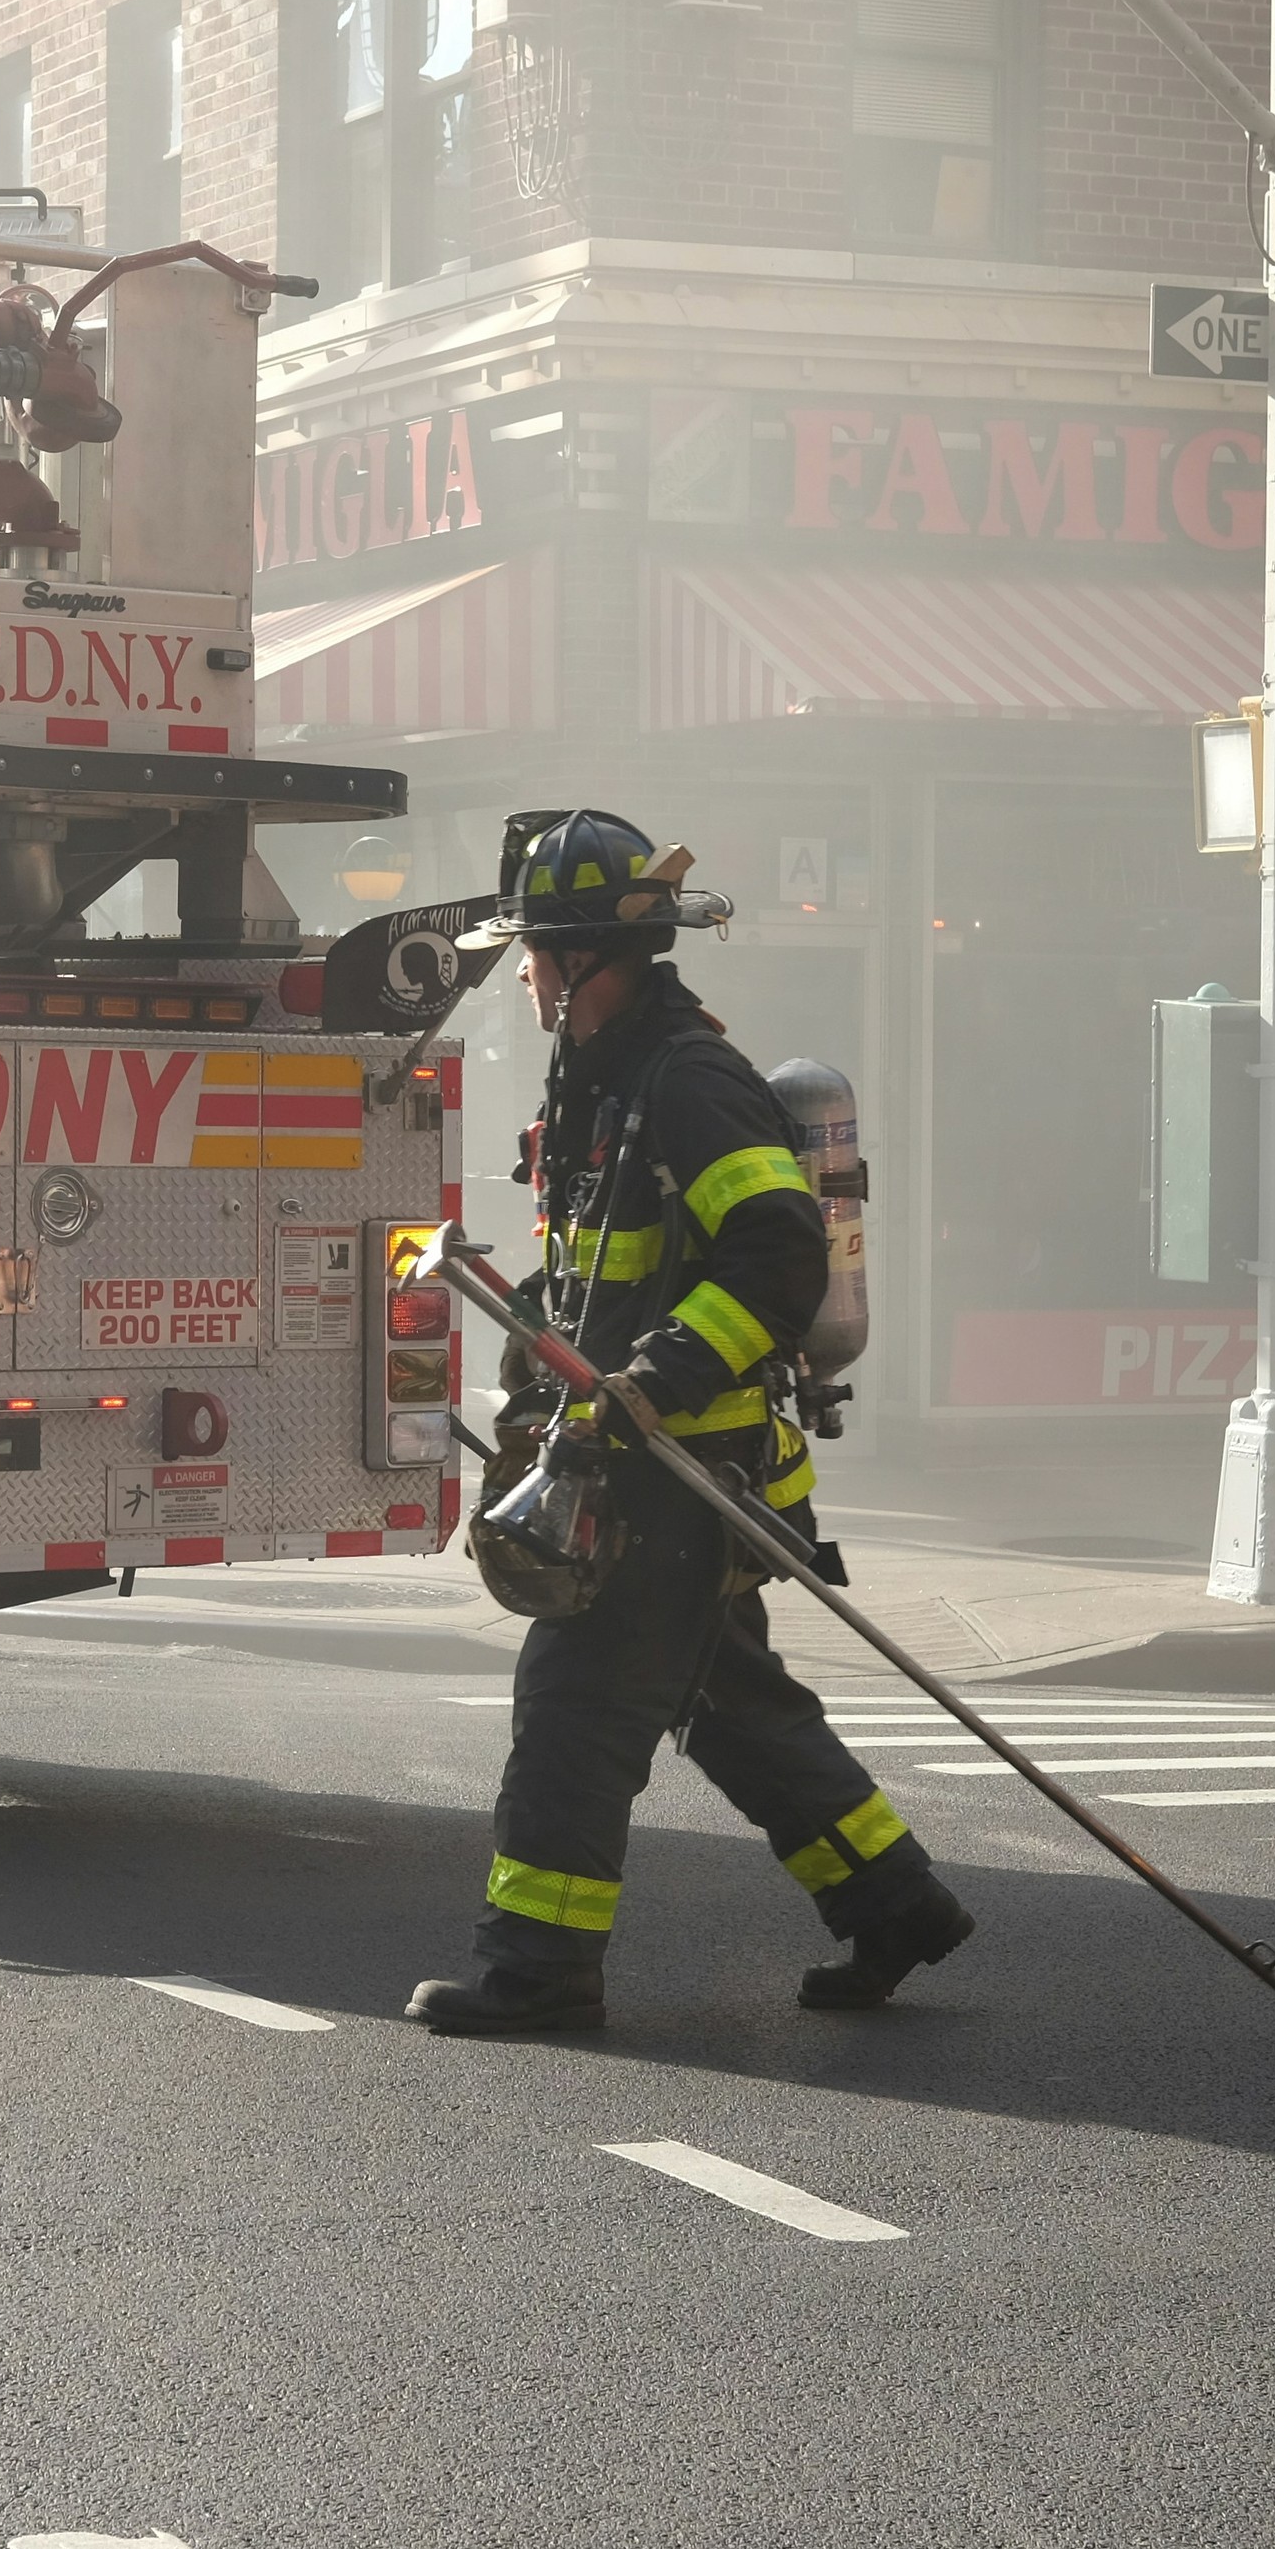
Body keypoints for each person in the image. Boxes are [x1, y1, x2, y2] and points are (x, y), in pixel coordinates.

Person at [408, 810, 972, 2036]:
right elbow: (602, 1272)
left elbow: (775, 1256)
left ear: (580, 963)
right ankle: (896, 1906)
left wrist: (651, 1382)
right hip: (636, 1456)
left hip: (678, 1469)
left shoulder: (688, 1082)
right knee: (730, 1704)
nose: (521, 975)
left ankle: (538, 1970)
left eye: (534, 953)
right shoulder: (600, 1084)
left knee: (572, 1710)